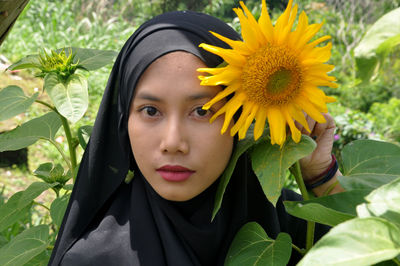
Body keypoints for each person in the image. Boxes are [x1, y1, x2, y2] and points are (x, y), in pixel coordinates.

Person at [49, 10, 343, 266]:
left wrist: (321, 177)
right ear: (124, 120)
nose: (173, 142)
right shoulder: (94, 260)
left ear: (243, 119)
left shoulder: (298, 231)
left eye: (202, 111)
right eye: (151, 110)